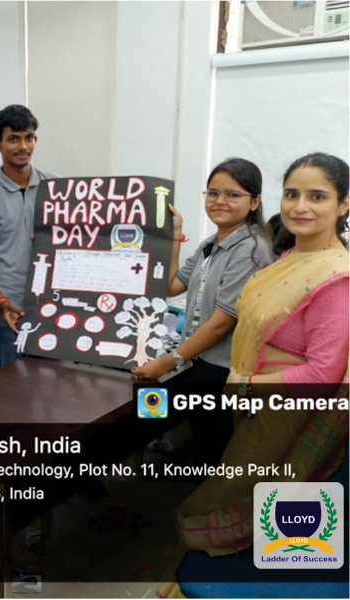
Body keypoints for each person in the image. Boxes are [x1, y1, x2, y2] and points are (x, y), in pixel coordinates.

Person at [158, 153, 349, 598]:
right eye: (292, 194)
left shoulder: (335, 278)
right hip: (255, 406)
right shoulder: (289, 257)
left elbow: (323, 374)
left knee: (249, 515)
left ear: (343, 205)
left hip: (288, 415)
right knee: (254, 510)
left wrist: (243, 384)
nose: (300, 206)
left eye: (317, 197)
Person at [132, 158, 274, 461]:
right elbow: (171, 286)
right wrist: (175, 234)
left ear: (254, 202)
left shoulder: (251, 249)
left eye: (232, 194)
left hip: (220, 370)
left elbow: (222, 323)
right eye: (213, 193)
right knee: (148, 416)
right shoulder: (211, 244)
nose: (219, 201)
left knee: (210, 446)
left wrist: (167, 362)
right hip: (194, 360)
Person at [0, 105, 56, 365]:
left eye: (29, 138)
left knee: (57, 384)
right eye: (13, 139)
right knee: (12, 385)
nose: (23, 146)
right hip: (8, 312)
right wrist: (0, 300)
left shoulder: (56, 188)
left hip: (54, 310)